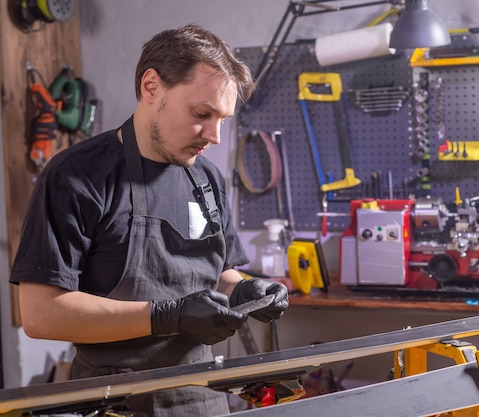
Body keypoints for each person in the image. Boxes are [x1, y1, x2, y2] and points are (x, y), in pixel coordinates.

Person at [10, 24, 289, 416]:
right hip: (113, 401)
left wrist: (245, 291)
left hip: (201, 398)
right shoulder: (75, 177)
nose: (215, 136)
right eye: (201, 114)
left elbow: (215, 276)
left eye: (222, 119)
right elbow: (40, 314)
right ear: (151, 86)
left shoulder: (207, 180)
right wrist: (166, 317)